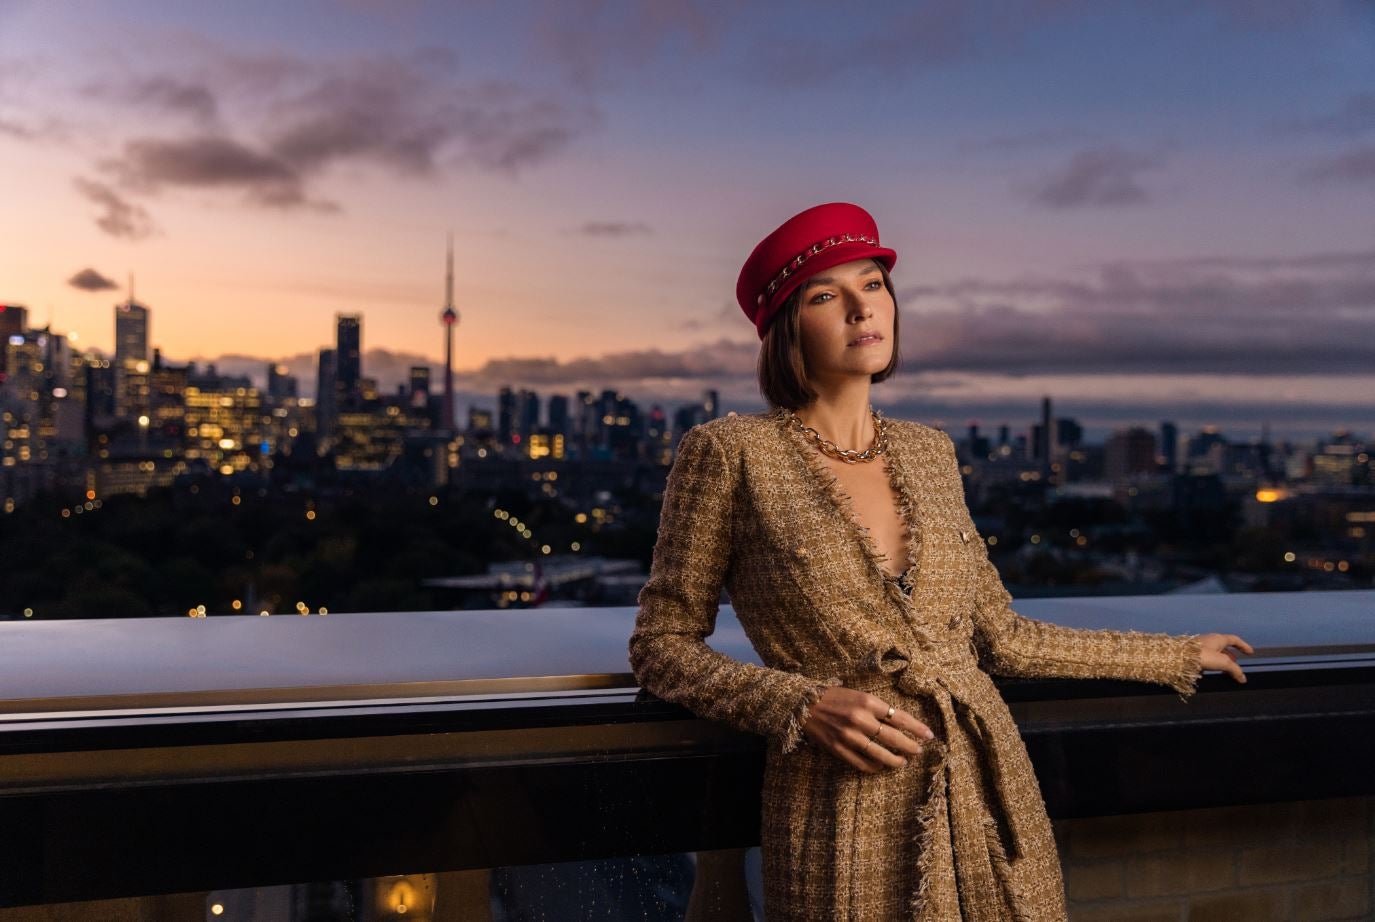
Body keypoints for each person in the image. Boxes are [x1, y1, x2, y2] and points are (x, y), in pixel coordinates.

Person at [628, 202, 1253, 921]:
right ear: (785, 327)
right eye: (828, 296)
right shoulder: (729, 454)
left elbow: (1000, 636)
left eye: (875, 285)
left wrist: (1171, 655)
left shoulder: (929, 453)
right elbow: (661, 647)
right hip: (842, 795)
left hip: (986, 786)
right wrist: (800, 704)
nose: (865, 309)